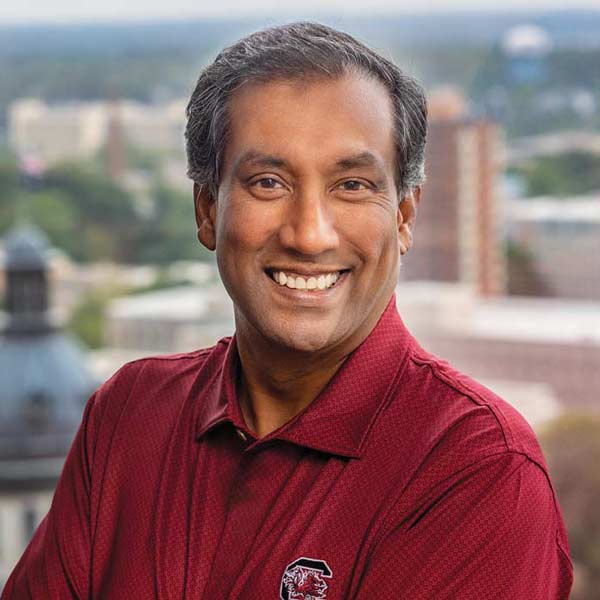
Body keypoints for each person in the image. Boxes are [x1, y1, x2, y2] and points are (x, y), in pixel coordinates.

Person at [3, 22, 573, 599]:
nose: (309, 235)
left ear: (403, 216)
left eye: (351, 185)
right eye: (268, 182)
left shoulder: (475, 471)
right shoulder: (128, 416)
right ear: (207, 209)